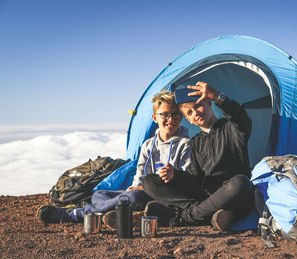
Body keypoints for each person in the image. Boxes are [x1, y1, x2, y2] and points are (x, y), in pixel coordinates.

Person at [36, 91, 192, 228]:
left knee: (132, 197)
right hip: (141, 192)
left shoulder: (185, 144)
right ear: (154, 117)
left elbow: (183, 179)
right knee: (100, 194)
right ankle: (125, 214)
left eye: (176, 114)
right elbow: (140, 174)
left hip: (163, 197)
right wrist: (136, 187)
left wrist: (142, 189)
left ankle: (74, 214)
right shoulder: (148, 145)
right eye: (165, 114)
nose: (171, 119)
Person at [142, 81, 254, 232]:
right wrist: (175, 175)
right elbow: (195, 178)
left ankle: (182, 218)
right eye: (189, 113)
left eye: (197, 106)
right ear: (188, 120)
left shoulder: (231, 129)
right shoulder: (196, 142)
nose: (195, 113)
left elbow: (241, 118)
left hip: (229, 194)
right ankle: (207, 215)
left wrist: (219, 97)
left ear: (208, 102)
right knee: (150, 182)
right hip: (204, 197)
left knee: (241, 183)